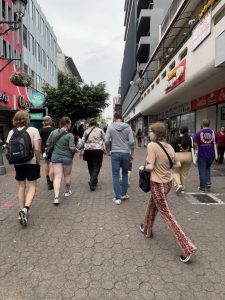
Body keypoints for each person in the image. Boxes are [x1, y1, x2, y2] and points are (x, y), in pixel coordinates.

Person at [139, 122, 197, 263]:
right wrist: (165, 167)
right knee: (152, 205)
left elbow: (151, 166)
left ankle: (187, 247)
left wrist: (143, 167)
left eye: (151, 131)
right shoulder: (169, 146)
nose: (149, 134)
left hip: (157, 184)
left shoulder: (152, 146)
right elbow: (176, 164)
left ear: (157, 133)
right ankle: (147, 230)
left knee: (166, 214)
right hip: (167, 183)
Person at [6, 110, 41, 226]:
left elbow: (8, 148)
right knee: (32, 186)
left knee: (21, 186)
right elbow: (37, 148)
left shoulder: (11, 132)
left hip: (17, 162)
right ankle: (26, 209)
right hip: (31, 161)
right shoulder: (33, 130)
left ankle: (21, 210)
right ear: (27, 119)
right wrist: (38, 161)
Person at [105, 112, 134, 205]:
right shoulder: (128, 127)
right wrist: (132, 153)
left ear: (114, 118)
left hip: (115, 153)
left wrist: (108, 150)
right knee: (125, 173)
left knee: (115, 175)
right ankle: (124, 194)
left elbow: (106, 141)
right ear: (122, 119)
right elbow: (132, 142)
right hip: (126, 153)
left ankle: (118, 197)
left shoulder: (110, 127)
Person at [47, 117, 77, 205]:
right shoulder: (70, 135)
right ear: (67, 124)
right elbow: (72, 148)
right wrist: (75, 149)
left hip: (55, 157)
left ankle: (56, 197)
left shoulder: (53, 132)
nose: (70, 125)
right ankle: (67, 191)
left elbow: (48, 143)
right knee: (67, 175)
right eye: (70, 123)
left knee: (57, 177)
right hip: (67, 158)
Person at [79, 119, 105, 191]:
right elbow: (105, 139)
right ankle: (92, 180)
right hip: (98, 150)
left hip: (88, 150)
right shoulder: (100, 130)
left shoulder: (86, 131)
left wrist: (80, 151)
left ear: (90, 124)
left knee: (90, 166)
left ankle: (93, 181)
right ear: (96, 124)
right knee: (97, 165)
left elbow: (82, 141)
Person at [194, 119, 218, 192]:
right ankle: (208, 183)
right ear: (209, 124)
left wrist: (196, 150)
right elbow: (216, 144)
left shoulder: (198, 133)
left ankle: (202, 188)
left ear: (202, 124)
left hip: (202, 154)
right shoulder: (213, 133)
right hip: (211, 154)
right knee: (207, 168)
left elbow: (195, 144)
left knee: (202, 170)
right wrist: (215, 153)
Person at [171, 126, 192, 194]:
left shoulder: (175, 139)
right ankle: (183, 188)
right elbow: (192, 147)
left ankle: (179, 184)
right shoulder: (190, 139)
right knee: (184, 173)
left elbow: (171, 149)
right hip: (188, 156)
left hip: (178, 156)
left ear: (180, 131)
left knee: (175, 172)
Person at [39, 116, 55, 190]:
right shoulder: (54, 130)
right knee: (52, 164)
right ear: (50, 121)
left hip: (44, 149)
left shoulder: (40, 130)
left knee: (46, 163)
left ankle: (48, 182)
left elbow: (39, 141)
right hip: (53, 149)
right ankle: (52, 181)